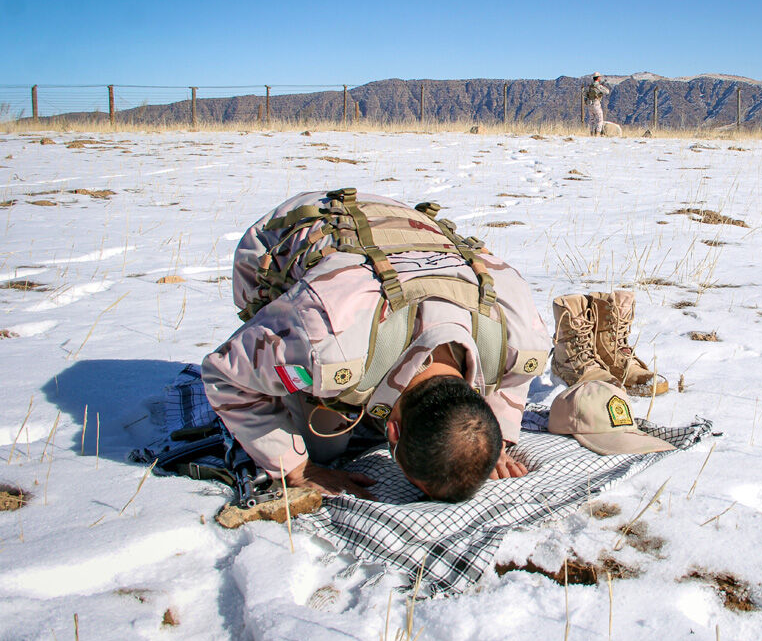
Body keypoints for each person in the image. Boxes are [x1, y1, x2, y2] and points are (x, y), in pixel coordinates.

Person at [202, 189, 551, 502]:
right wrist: (295, 468)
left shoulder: (519, 338)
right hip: (281, 237)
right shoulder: (326, 347)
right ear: (392, 433)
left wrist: (488, 445)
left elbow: (512, 382)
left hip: (394, 234)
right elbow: (224, 376)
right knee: (324, 443)